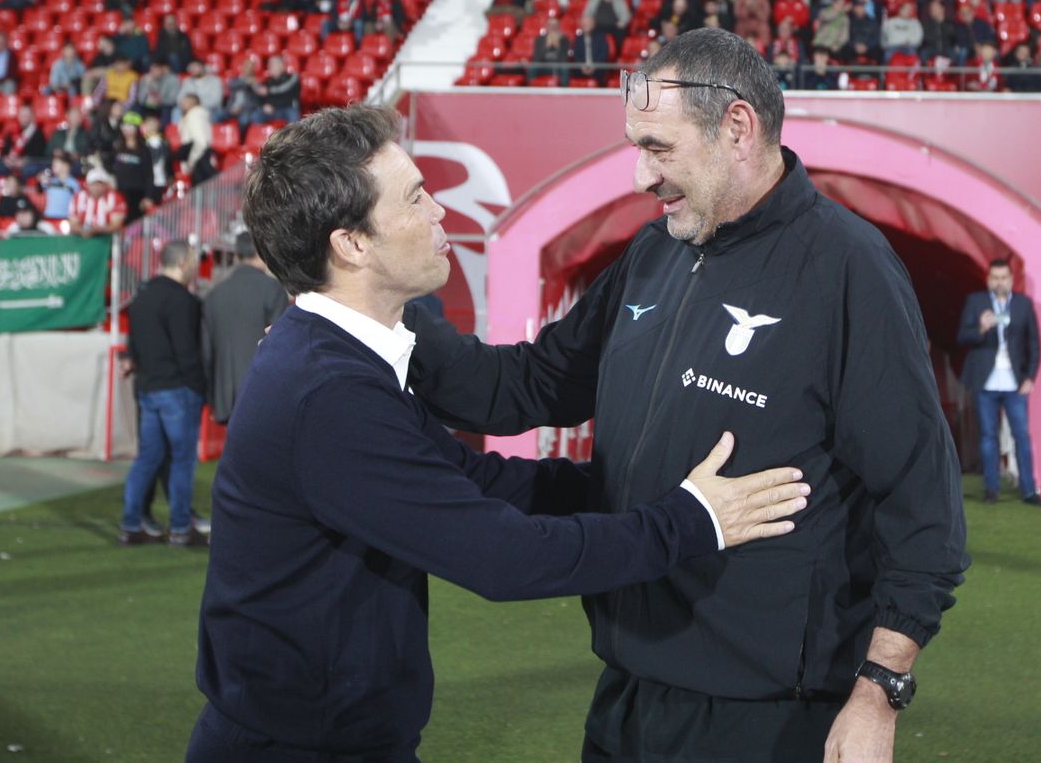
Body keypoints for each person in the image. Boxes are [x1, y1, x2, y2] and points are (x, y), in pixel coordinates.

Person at [404, 30, 968, 763]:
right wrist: (383, 311)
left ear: (737, 127)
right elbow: (531, 384)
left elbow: (924, 503)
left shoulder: (847, 268)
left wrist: (879, 690)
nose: (642, 175)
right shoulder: (654, 253)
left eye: (658, 148)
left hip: (764, 719)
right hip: (627, 693)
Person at [187, 104, 810, 762]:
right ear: (352, 244)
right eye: (415, 197)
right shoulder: (329, 393)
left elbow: (476, 479)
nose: (438, 211)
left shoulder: (339, 360)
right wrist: (689, 521)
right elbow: (505, 557)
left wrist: (636, 484)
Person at [119, 240, 210, 548]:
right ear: (183, 262)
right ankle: (181, 527)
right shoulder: (183, 301)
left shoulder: (140, 297)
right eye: (194, 260)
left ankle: (130, 525)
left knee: (147, 459)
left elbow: (134, 344)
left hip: (148, 388)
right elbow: (187, 352)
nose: (197, 266)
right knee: (182, 461)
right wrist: (200, 388)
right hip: (177, 390)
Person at [956, 259, 1041, 506]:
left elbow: (1034, 344)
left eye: (1003, 277)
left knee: (1022, 435)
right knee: (988, 436)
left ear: (1011, 279)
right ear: (988, 280)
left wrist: (1030, 377)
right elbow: (962, 337)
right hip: (985, 381)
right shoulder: (976, 302)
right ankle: (991, 489)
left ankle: (1029, 490)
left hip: (1014, 382)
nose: (999, 282)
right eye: (995, 278)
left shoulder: (1023, 304)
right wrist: (981, 328)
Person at [201, 231, 289, 424]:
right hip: (262, 392)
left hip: (224, 396)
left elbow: (206, 352)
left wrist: (212, 398)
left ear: (237, 255)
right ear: (261, 253)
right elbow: (281, 344)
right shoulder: (272, 289)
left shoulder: (214, 294)